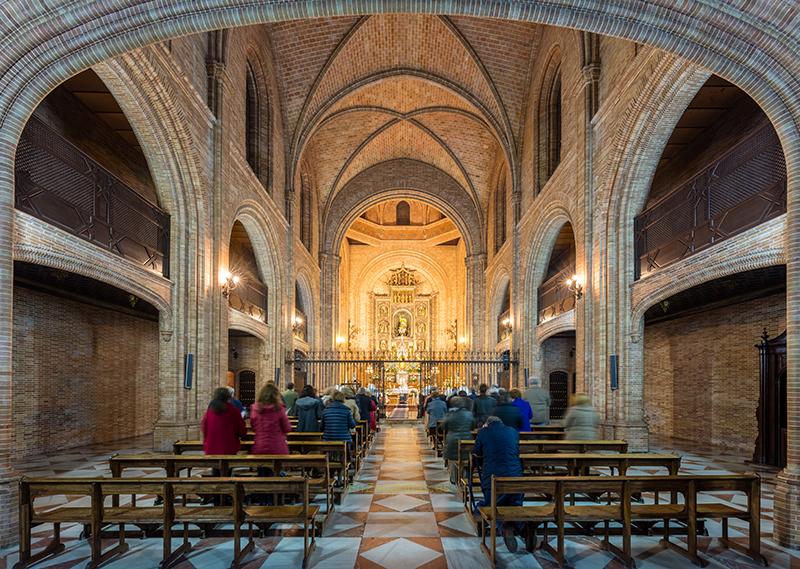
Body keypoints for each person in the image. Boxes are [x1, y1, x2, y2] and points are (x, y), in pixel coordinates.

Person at [472, 416, 523, 552]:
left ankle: (504, 527)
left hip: (493, 475)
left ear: (487, 425)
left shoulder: (483, 432)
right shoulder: (512, 431)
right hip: (516, 475)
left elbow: (476, 452)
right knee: (515, 503)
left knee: (492, 503)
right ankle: (524, 528)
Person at [200, 387, 247, 455]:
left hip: (211, 449)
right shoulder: (233, 411)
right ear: (228, 397)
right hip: (229, 449)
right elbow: (242, 431)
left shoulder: (209, 412)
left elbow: (204, 428)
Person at [250, 383, 292, 455]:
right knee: (278, 465)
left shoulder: (255, 409)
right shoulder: (279, 408)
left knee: (262, 465)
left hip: (260, 446)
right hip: (277, 446)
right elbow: (287, 428)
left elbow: (253, 427)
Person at [442, 397, 475, 484]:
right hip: (466, 438)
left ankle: (454, 478)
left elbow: (443, 426)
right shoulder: (469, 414)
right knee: (465, 457)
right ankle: (464, 477)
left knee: (453, 459)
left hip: (452, 439)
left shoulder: (450, 414)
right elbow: (473, 425)